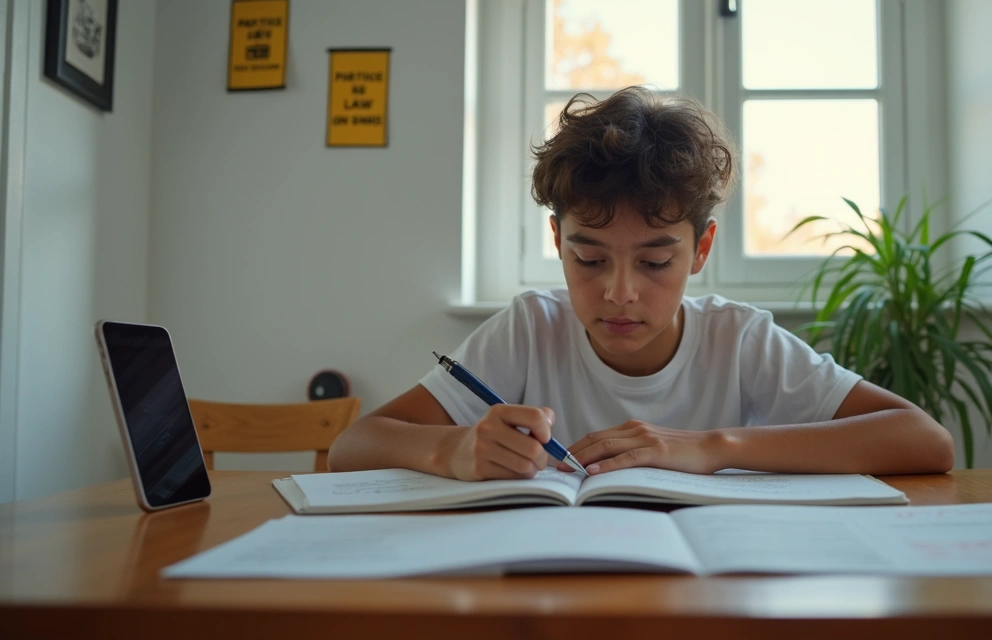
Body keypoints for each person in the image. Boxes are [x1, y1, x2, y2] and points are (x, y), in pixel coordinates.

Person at [328, 86, 955, 480]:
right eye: (589, 259)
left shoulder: (737, 340)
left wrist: (713, 446)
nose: (620, 292)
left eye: (655, 263)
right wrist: (452, 451)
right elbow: (353, 446)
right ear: (557, 243)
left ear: (700, 249)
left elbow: (926, 441)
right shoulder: (531, 327)